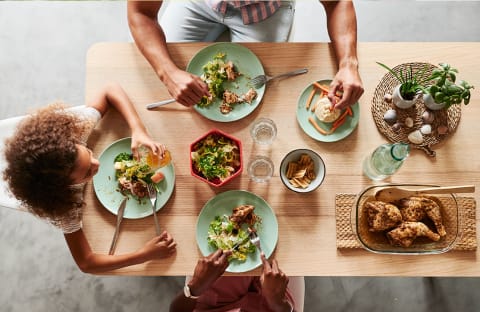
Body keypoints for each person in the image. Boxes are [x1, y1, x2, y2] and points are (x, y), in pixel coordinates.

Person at [2, 83, 176, 273]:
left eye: (88, 153)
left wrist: (138, 129)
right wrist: (143, 254)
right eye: (87, 173)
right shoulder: (64, 212)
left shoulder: (75, 134)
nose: (97, 164)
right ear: (64, 187)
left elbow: (110, 90)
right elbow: (86, 263)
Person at [127, 0, 364, 110]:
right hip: (200, 4)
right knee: (156, 77)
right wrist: (167, 73)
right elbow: (141, 12)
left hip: (267, 11)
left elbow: (337, 2)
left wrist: (348, 64)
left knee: (257, 102)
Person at [167, 249, 304, 312]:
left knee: (226, 247)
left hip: (214, 309)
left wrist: (195, 287)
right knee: (281, 248)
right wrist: (278, 303)